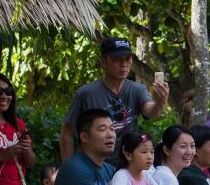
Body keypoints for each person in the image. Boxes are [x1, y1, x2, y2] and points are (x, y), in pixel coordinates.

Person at [59, 37, 169, 165]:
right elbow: (66, 133)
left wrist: (160, 101)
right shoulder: (85, 94)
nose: (124, 64)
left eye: (128, 59)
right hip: (94, 166)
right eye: (117, 59)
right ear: (103, 61)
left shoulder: (137, 89)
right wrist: (69, 170)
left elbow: (151, 112)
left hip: (128, 165)